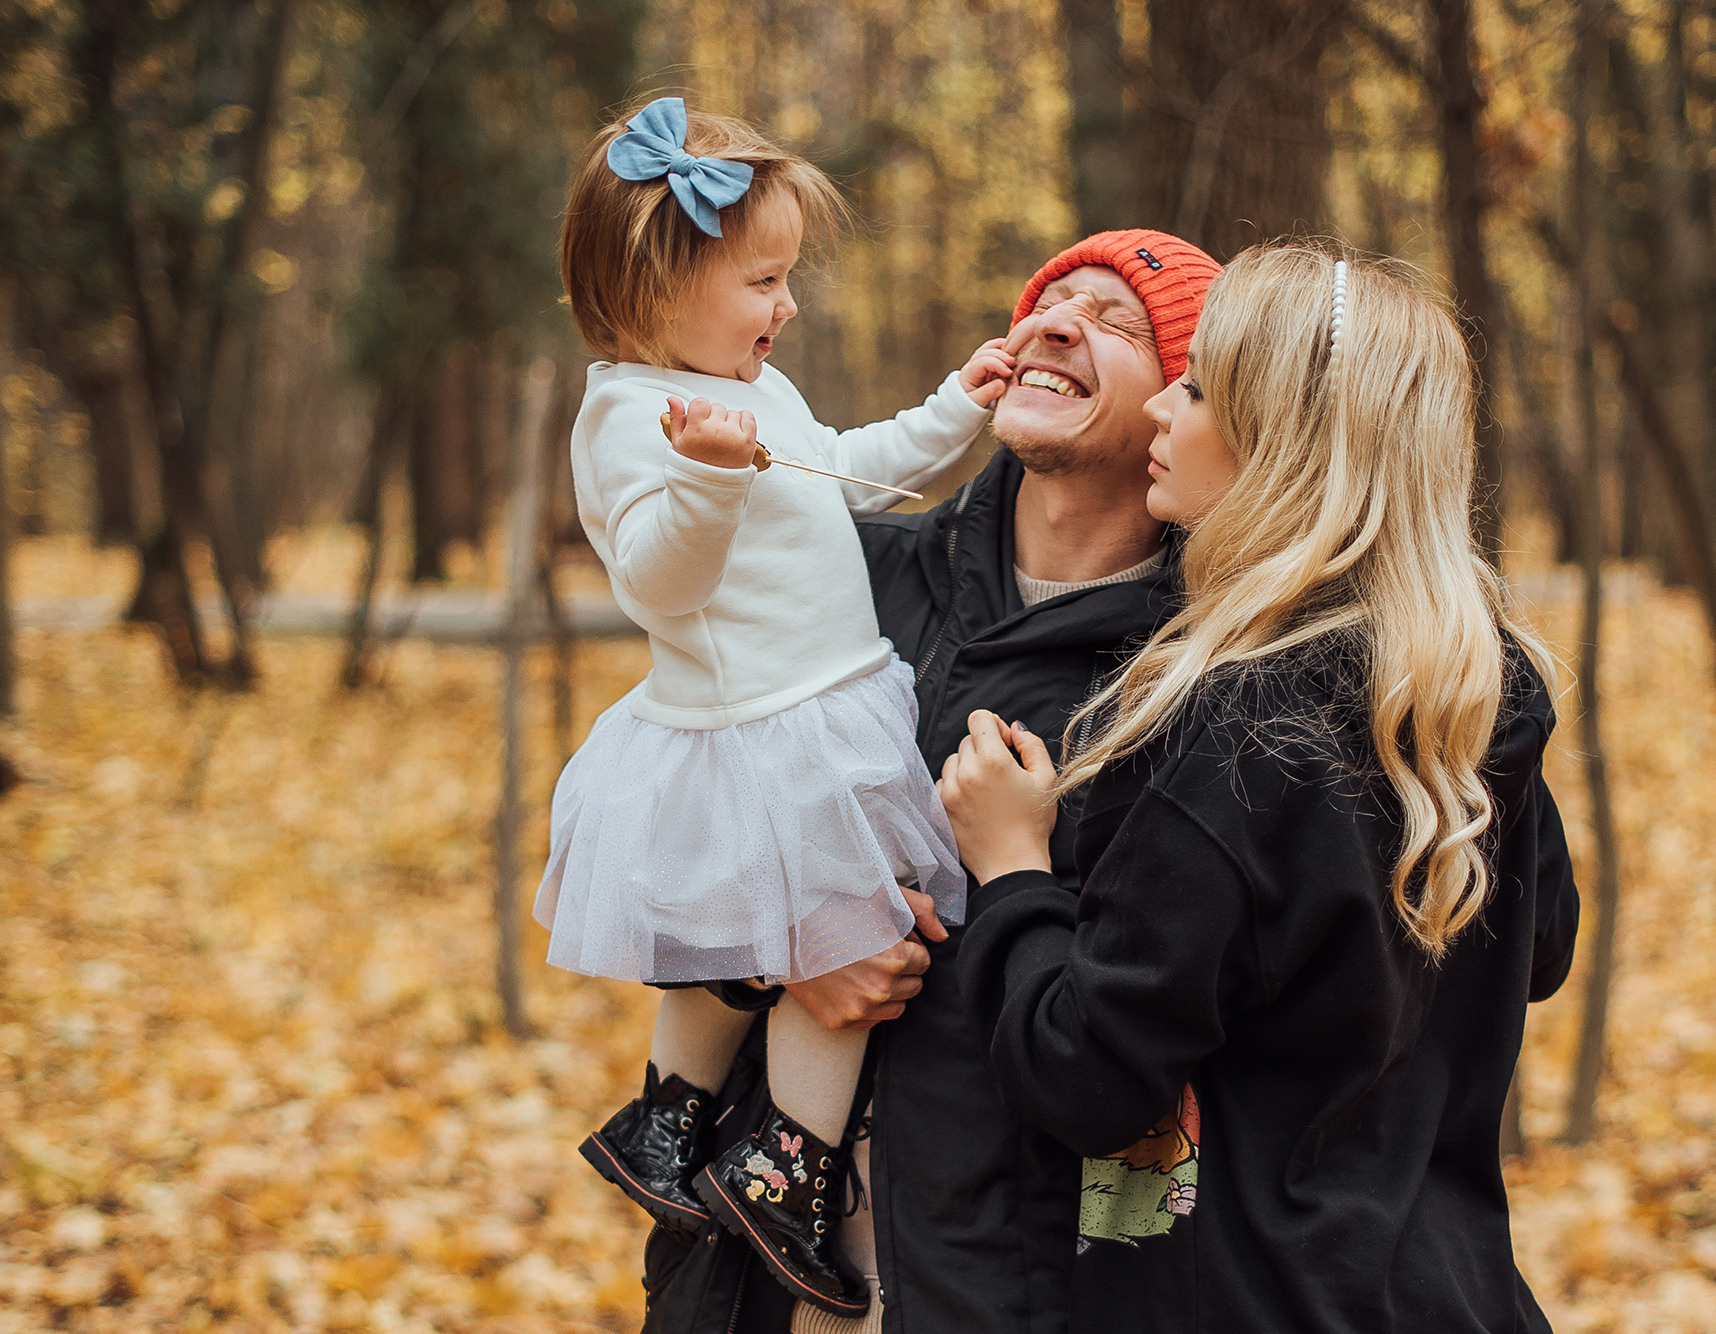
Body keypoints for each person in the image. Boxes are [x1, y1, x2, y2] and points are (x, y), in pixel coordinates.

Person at [937, 241, 1581, 1333]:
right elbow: (1539, 951)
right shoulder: (1474, 691)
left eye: (1192, 389)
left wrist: (1010, 870)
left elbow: (1087, 1073)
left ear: (1279, 441)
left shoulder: (1230, 729)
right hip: (1444, 1291)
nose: (1160, 416)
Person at [639, 229, 1223, 1334]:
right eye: (1051, 302)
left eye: (1117, 320)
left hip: (1007, 1277)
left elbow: (1178, 1019)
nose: (1054, 321)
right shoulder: (852, 569)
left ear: (1182, 401)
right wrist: (790, 924)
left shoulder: (1204, 668)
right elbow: (657, 815)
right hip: (754, 1267)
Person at [537, 95, 1017, 1318]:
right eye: (762, 279)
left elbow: (853, 469)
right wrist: (702, 473)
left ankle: (673, 1123)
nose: (786, 305)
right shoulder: (628, 418)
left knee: (755, 933)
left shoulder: (755, 390)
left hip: (811, 704)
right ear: (655, 290)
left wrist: (960, 403)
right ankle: (785, 1162)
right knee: (843, 935)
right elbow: (655, 574)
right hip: (765, 726)